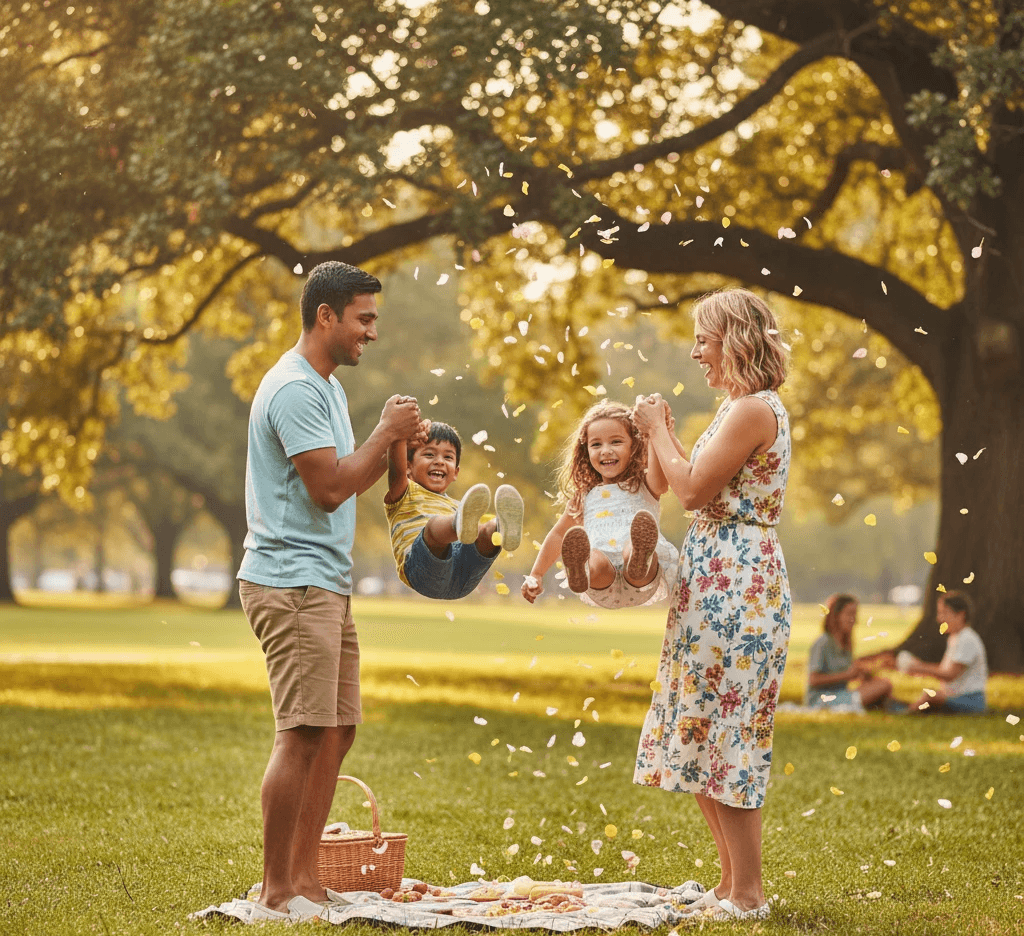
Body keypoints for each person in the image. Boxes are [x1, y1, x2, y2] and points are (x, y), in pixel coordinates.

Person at [236, 261, 424, 922]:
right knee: (302, 732)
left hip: (326, 583)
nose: (371, 332)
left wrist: (396, 446)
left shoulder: (328, 391)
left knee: (338, 729)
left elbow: (351, 476)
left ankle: (307, 878)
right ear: (326, 316)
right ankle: (276, 889)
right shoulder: (292, 389)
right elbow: (328, 488)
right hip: (290, 584)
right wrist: (384, 431)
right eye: (363, 319)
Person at [631, 288, 791, 922]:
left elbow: (694, 490)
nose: (696, 350)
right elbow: (676, 486)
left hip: (739, 586)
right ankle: (728, 886)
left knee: (732, 733)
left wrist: (660, 430)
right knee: (700, 728)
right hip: (711, 578)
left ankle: (748, 893)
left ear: (736, 340)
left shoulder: (753, 409)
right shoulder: (733, 408)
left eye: (704, 338)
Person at [521, 400, 678, 609]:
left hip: (640, 582)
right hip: (602, 583)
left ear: (635, 445)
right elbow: (559, 534)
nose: (605, 450)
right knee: (594, 557)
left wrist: (654, 435)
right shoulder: (585, 496)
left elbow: (662, 482)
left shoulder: (644, 485)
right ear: (585, 451)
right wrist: (536, 574)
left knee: (632, 547)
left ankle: (639, 559)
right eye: (596, 444)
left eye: (616, 442)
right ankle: (581, 570)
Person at [384, 419, 524, 599]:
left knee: (484, 532)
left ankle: (501, 527)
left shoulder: (459, 507)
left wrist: (483, 530)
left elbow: (472, 542)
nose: (439, 462)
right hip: (422, 572)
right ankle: (461, 526)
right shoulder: (404, 491)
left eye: (448, 457)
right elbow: (395, 469)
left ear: (456, 472)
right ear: (408, 466)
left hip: (463, 576)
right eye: (429, 454)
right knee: (434, 527)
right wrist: (399, 434)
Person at [899, 590, 988, 714]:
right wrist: (918, 667)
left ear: (961, 615)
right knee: (929, 695)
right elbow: (944, 670)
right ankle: (906, 708)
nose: (940, 619)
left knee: (930, 696)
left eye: (944, 613)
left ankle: (907, 712)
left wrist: (920, 668)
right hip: (956, 696)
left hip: (970, 700)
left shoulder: (967, 638)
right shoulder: (955, 638)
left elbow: (950, 674)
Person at [806, 593, 894, 710]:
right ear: (836, 615)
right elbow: (813, 680)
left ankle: (907, 708)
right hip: (822, 699)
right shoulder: (823, 642)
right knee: (884, 686)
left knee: (882, 686)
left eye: (855, 614)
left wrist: (865, 672)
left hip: (842, 694)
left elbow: (849, 674)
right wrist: (847, 675)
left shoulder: (846, 644)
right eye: (849, 614)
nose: (854, 619)